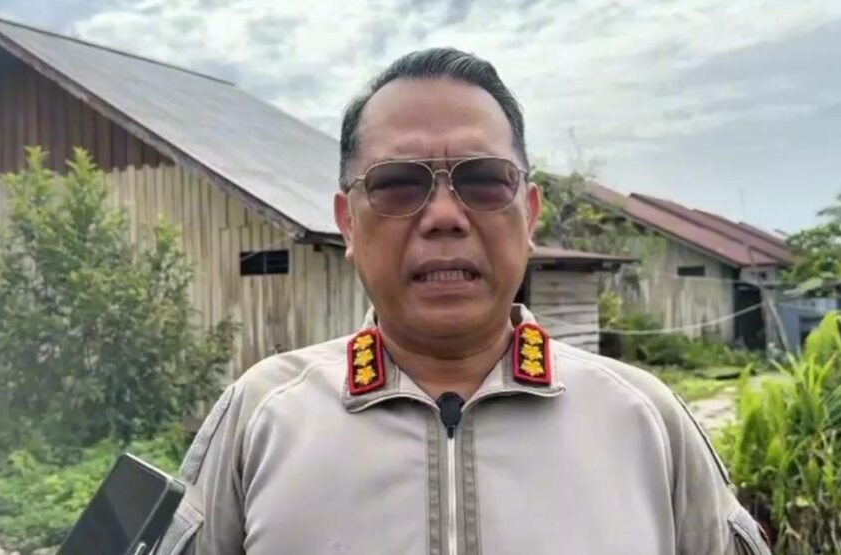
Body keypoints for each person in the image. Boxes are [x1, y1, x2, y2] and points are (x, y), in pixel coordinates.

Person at [153, 47, 772, 555]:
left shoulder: (644, 419)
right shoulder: (264, 414)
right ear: (347, 223)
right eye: (398, 185)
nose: (445, 216)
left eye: (483, 181)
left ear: (529, 215)